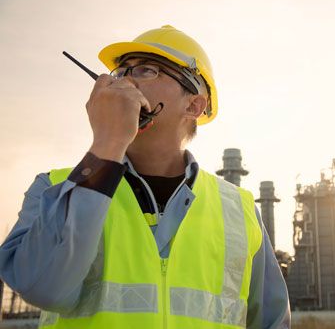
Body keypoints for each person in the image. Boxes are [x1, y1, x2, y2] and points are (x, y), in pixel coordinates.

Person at [0, 25, 290, 328]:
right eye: (120, 72)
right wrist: (107, 144)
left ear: (194, 104)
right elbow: (42, 287)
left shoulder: (238, 209)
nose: (123, 80)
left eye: (146, 70)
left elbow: (271, 322)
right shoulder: (54, 188)